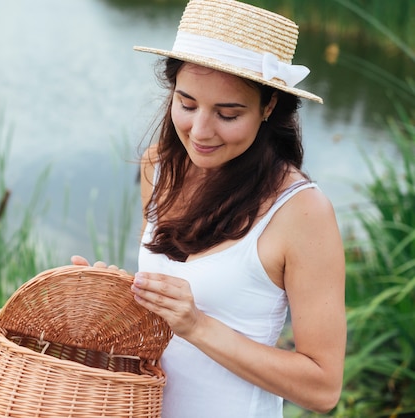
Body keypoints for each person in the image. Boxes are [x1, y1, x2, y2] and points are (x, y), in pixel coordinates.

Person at [72, 0, 346, 416]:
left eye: (228, 113)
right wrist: (113, 298)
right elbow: (164, 321)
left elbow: (323, 389)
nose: (200, 132)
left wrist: (198, 326)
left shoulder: (302, 212)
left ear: (268, 107)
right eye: (186, 104)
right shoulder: (158, 168)